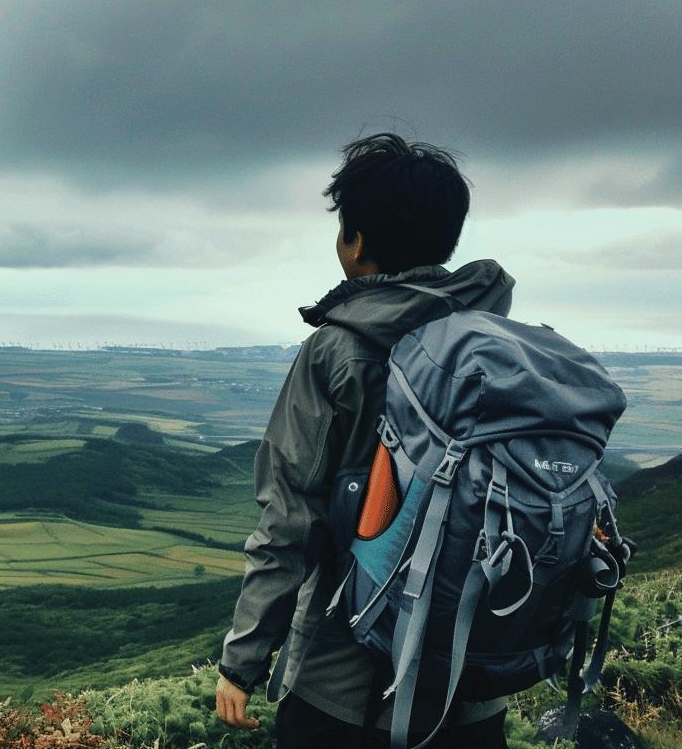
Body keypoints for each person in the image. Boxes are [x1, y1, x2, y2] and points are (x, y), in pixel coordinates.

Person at [212, 132, 515, 748]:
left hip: (344, 692)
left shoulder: (338, 349)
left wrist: (242, 663)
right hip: (470, 691)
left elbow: (290, 520)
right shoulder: (496, 343)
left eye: (342, 229)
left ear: (357, 242)